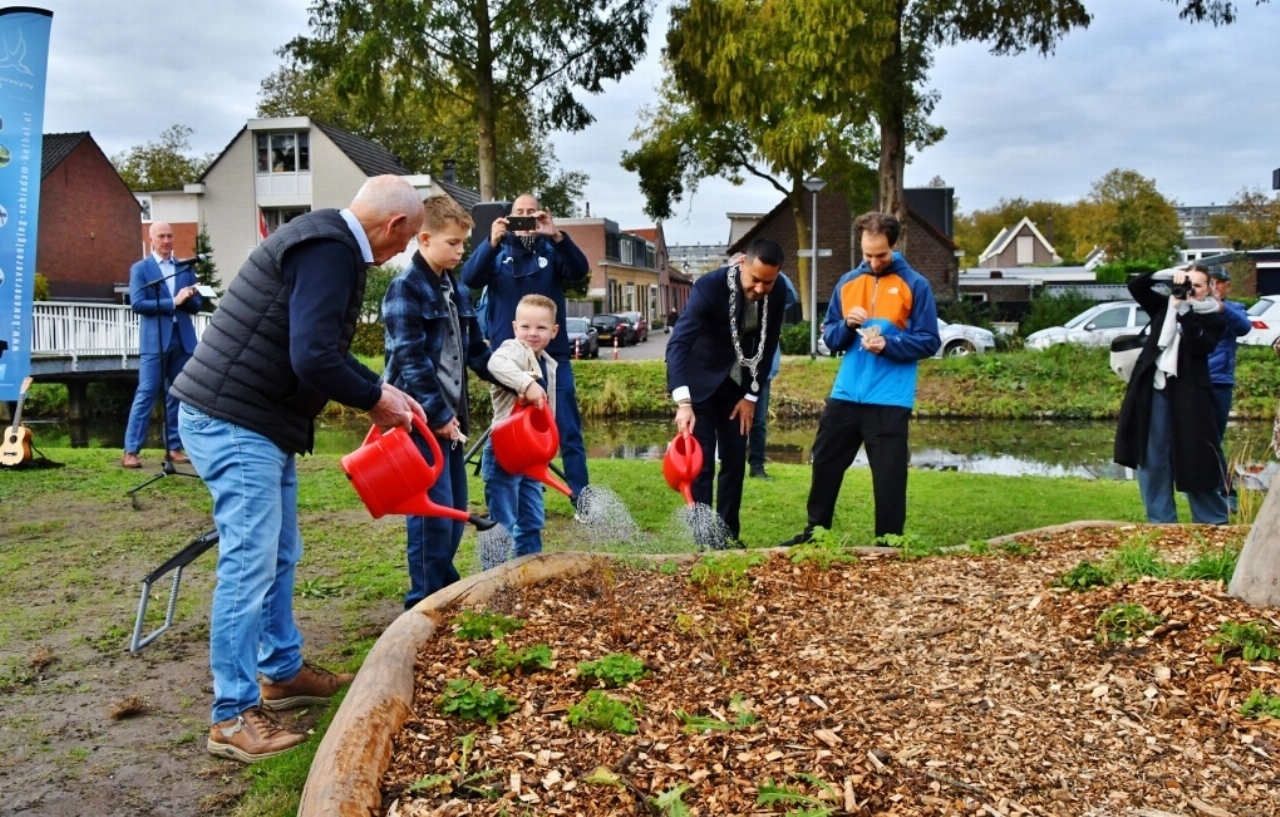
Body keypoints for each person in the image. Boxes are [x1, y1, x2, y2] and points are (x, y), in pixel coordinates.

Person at [170, 175, 426, 763]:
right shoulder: (332, 249)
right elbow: (311, 356)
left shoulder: (324, 238)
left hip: (257, 420)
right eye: (407, 240)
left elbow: (318, 349)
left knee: (279, 552)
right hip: (233, 419)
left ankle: (280, 673)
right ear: (393, 228)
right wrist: (375, 400)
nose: (402, 252)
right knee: (249, 561)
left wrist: (378, 387)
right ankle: (230, 717)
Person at [780, 212, 940, 546]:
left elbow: (929, 340)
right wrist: (847, 326)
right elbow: (831, 338)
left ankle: (889, 542)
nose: (874, 261)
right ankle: (815, 534)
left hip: (889, 398)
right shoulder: (847, 282)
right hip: (846, 393)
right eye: (868, 255)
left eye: (881, 255)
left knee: (889, 477)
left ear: (893, 245)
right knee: (824, 463)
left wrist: (889, 345)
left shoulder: (916, 285)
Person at [383, 195, 494, 608]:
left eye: (464, 243)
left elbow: (477, 350)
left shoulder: (457, 288)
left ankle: (444, 590)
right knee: (431, 516)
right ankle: (422, 603)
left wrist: (517, 380)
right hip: (416, 422)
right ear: (424, 239)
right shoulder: (404, 289)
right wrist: (439, 415)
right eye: (453, 243)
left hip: (450, 422)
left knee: (454, 512)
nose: (461, 251)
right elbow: (410, 361)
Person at [461, 194, 591, 502]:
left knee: (568, 429)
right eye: (519, 213)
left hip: (552, 356)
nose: (525, 218)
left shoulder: (552, 249)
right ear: (508, 218)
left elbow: (579, 270)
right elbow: (469, 279)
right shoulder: (498, 253)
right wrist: (490, 243)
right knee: (511, 427)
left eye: (531, 213)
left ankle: (581, 498)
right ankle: (522, 493)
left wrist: (557, 236)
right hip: (510, 356)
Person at [666, 238, 788, 545]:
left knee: (735, 462)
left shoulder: (779, 290)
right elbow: (679, 343)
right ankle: (704, 538)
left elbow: (768, 343)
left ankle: (728, 536)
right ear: (742, 264)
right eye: (756, 280)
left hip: (739, 384)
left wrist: (751, 396)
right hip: (701, 381)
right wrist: (683, 402)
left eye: (768, 282)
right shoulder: (710, 287)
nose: (761, 288)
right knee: (702, 464)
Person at [1114, 264, 1228, 524]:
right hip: (1155, 388)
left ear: (1209, 288)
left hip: (1191, 395)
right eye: (1187, 283)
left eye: (1197, 286)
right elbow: (1136, 286)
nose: (1190, 290)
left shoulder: (1214, 317)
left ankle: (1213, 520)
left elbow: (1199, 345)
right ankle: (1161, 522)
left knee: (1196, 458)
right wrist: (1167, 275)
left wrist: (1185, 310)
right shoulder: (1165, 306)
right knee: (1152, 459)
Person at [484, 294, 560, 559]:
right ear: (515, 327)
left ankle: (528, 572)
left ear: (554, 330)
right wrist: (526, 384)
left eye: (541, 327)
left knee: (532, 518)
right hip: (505, 450)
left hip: (530, 454)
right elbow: (495, 362)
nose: (532, 333)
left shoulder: (548, 363)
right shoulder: (513, 350)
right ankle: (494, 579)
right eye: (525, 326)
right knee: (503, 519)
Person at [122, 222, 202, 468]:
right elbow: (137, 304)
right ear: (151, 239)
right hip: (155, 340)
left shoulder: (184, 267)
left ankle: (173, 448)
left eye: (170, 236)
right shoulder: (141, 269)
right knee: (146, 393)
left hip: (183, 339)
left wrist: (189, 297)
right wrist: (172, 301)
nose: (167, 240)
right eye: (161, 236)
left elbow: (196, 306)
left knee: (178, 394)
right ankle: (131, 451)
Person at [1206, 266, 1253, 512]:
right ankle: (1210, 490)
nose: (1214, 287)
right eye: (1209, 282)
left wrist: (1220, 306)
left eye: (1218, 283)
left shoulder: (1234, 309)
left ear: (1227, 286)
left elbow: (1244, 328)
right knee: (1199, 437)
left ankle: (1226, 492)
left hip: (1219, 382)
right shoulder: (1195, 306)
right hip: (1193, 380)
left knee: (1214, 438)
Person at [747, 272, 798, 481]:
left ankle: (757, 466)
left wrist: (773, 271)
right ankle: (729, 463)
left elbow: (791, 295)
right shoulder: (734, 302)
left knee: (758, 420)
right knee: (730, 420)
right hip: (734, 369)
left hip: (762, 369)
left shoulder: (772, 301)